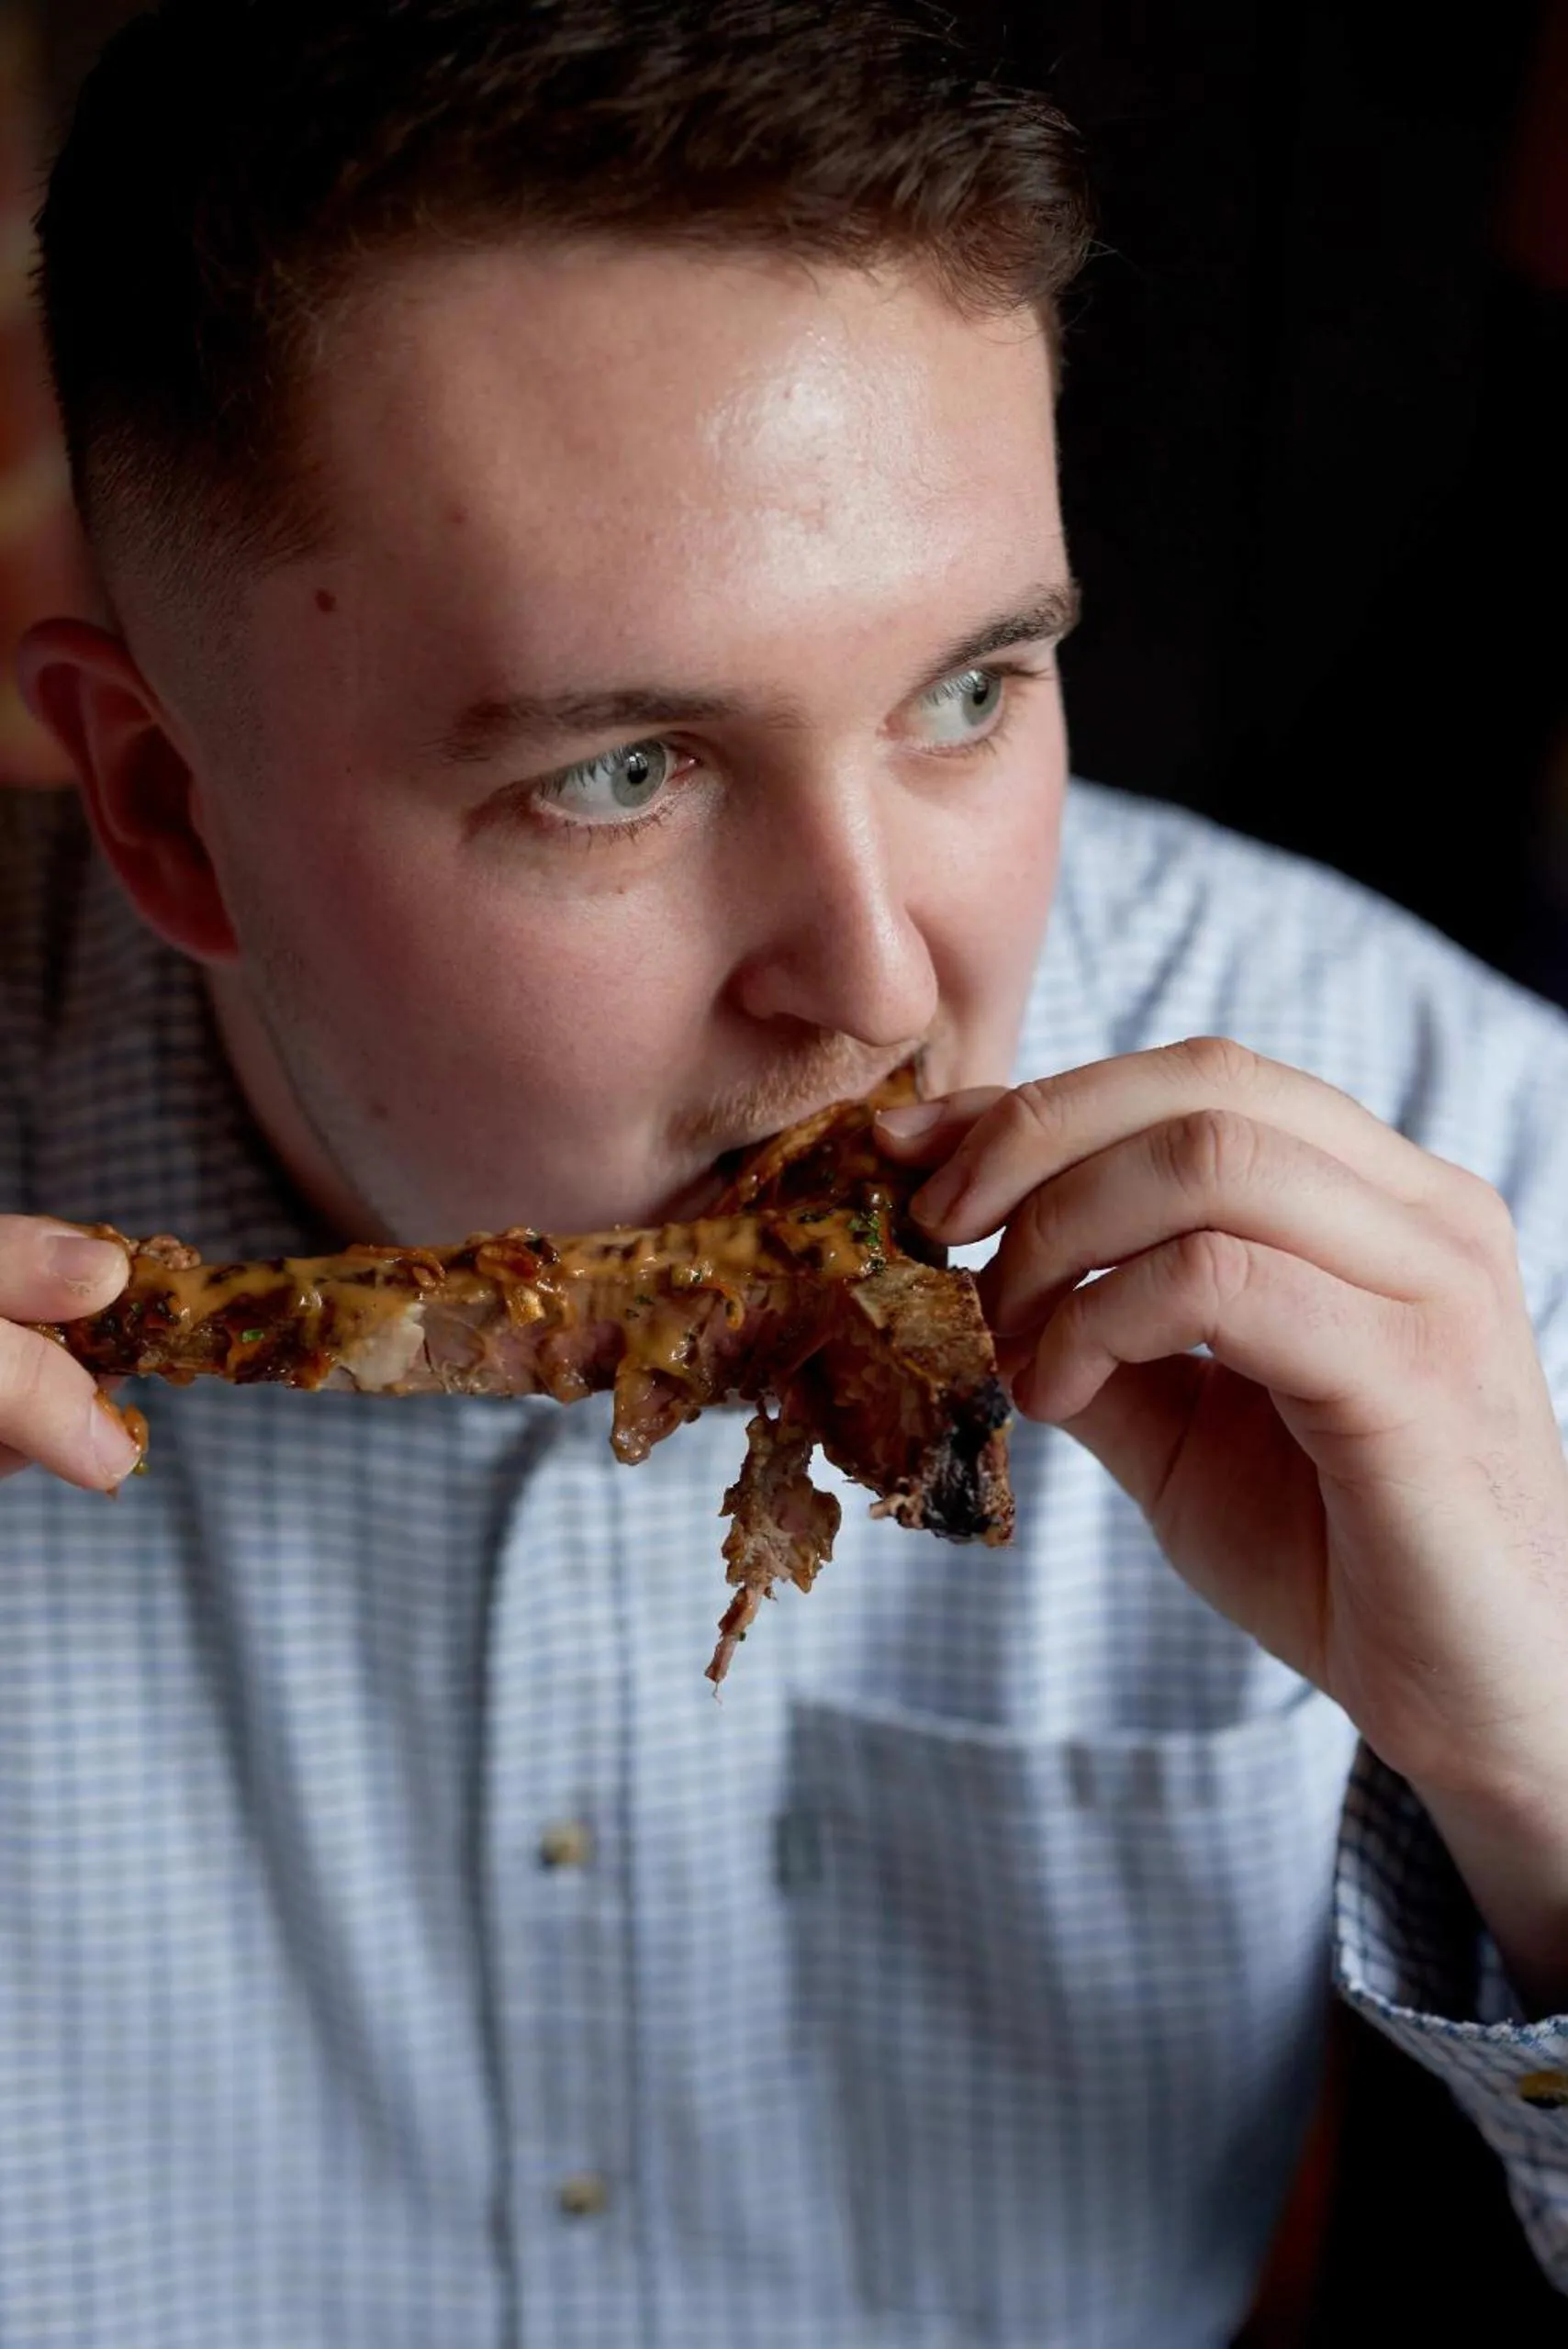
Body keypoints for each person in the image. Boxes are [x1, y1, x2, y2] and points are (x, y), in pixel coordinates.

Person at [5, 2, 1568, 2342]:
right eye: (619, 773)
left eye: (968, 693)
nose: (871, 979)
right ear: (157, 805)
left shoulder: (1470, 1157)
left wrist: (1542, 1773)